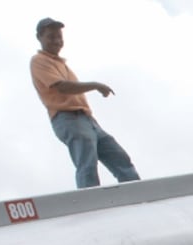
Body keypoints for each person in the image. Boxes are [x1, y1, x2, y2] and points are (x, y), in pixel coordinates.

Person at [29, 17, 140, 189]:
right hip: (68, 118)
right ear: (39, 37)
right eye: (51, 37)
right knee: (87, 163)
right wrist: (95, 85)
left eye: (59, 37)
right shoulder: (39, 61)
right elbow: (62, 87)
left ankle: (137, 192)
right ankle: (91, 203)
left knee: (119, 157)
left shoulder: (61, 64)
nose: (57, 41)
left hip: (87, 119)